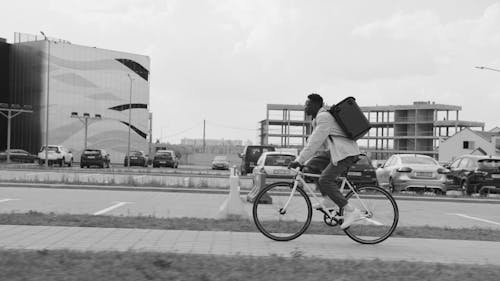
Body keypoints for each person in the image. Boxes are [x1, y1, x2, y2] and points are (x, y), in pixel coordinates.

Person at [288, 93, 362, 229]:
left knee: (325, 180)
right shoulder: (318, 119)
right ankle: (328, 200)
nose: (305, 108)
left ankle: (351, 211)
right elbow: (316, 143)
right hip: (334, 151)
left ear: (316, 105)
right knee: (310, 167)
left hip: (345, 153)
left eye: (307, 105)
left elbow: (315, 142)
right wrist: (302, 160)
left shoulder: (324, 118)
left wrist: (299, 160)